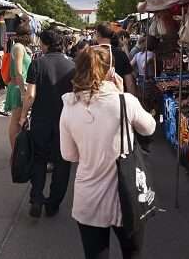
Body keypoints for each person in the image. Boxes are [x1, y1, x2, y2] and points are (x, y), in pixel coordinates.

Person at [60, 45, 156, 259]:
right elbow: (149, 128)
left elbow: (69, 155)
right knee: (132, 253)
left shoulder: (69, 106)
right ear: (110, 71)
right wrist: (121, 94)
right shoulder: (125, 101)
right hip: (127, 194)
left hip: (89, 197)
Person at [20, 30, 75, 218]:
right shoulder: (72, 65)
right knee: (62, 163)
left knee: (39, 159)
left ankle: (36, 197)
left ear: (45, 44)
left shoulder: (37, 63)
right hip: (65, 122)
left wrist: (22, 116)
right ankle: (53, 203)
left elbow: (31, 95)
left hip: (41, 120)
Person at [5, 22, 32, 151]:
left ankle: (17, 150)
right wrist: (22, 91)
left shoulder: (21, 47)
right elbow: (19, 71)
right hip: (18, 87)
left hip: (20, 86)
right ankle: (15, 151)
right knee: (16, 120)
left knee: (19, 120)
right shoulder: (19, 48)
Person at [94, 23, 136, 95]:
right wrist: (132, 101)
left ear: (98, 34)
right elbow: (130, 83)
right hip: (118, 98)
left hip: (96, 98)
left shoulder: (90, 54)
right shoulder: (121, 54)